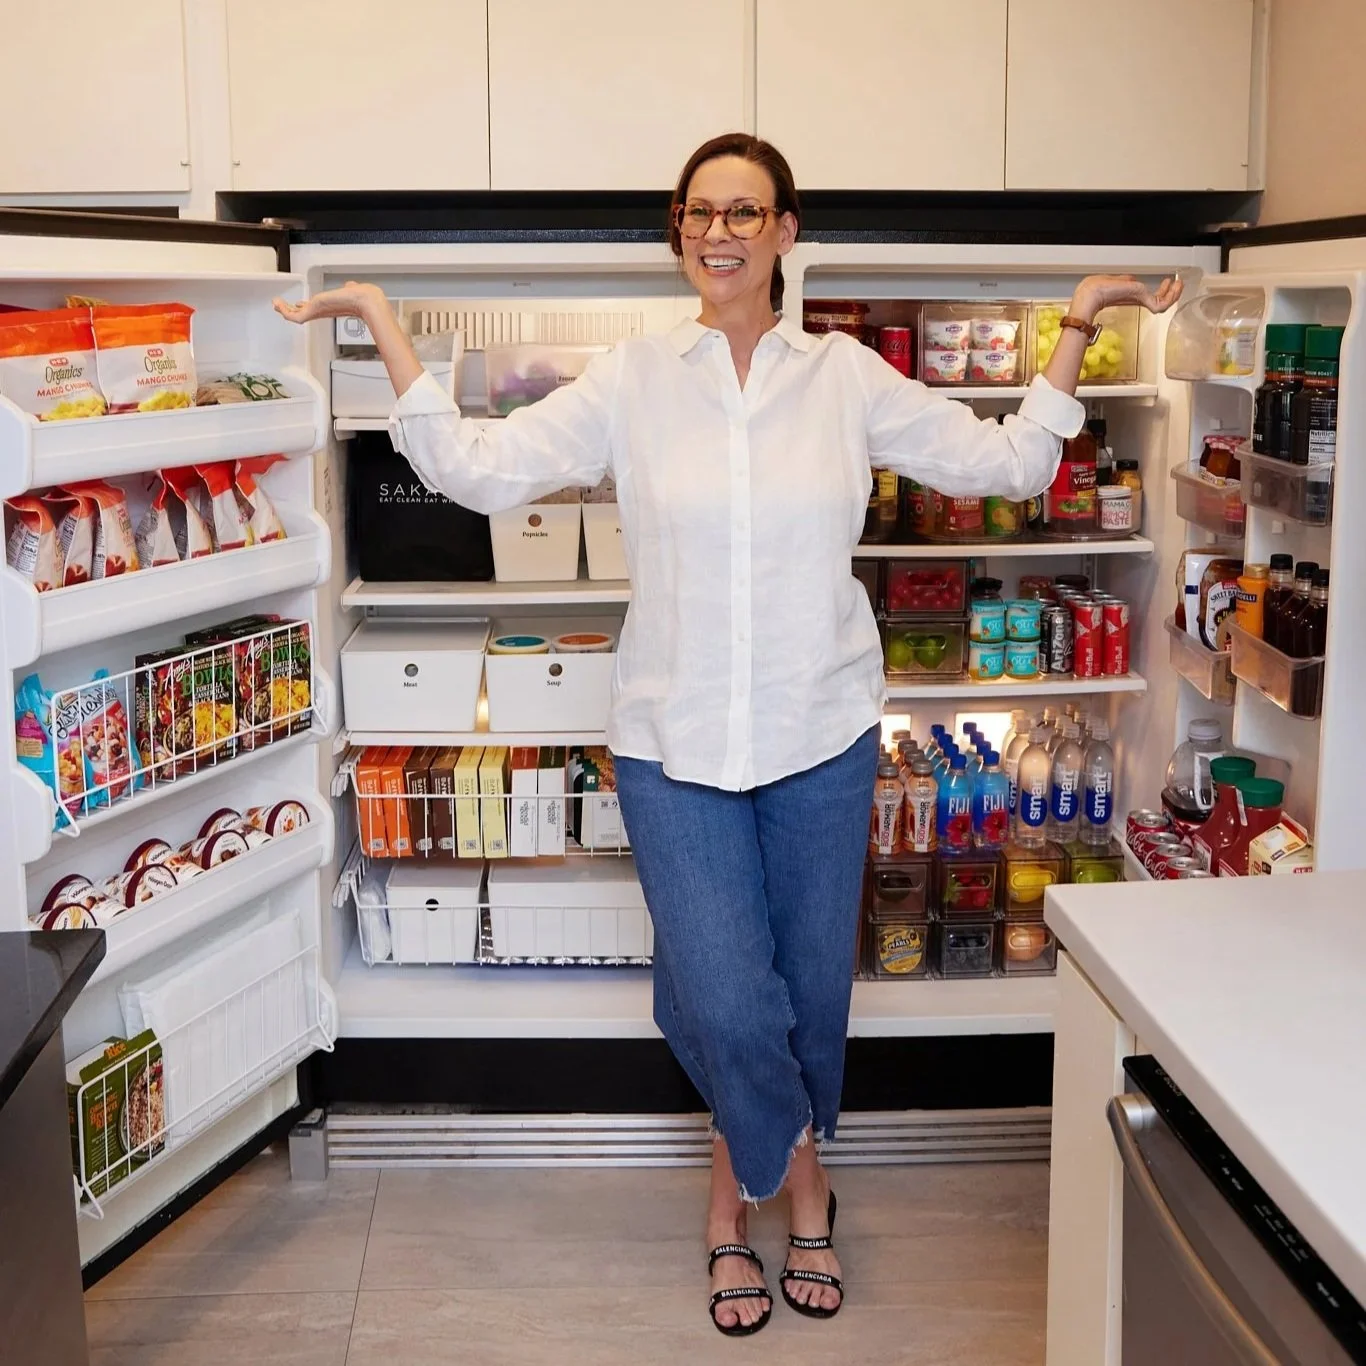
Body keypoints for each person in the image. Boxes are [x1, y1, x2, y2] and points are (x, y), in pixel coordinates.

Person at [276, 132, 1180, 1337]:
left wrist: (1073, 322)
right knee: (721, 996)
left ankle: (731, 1201)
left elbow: (1011, 462)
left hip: (819, 734)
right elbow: (479, 471)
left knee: (806, 992)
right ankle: (801, 1177)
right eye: (702, 211)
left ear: (785, 232)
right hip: (671, 737)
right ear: (679, 231)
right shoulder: (634, 382)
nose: (721, 231)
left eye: (746, 212)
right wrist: (386, 327)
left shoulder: (845, 378)